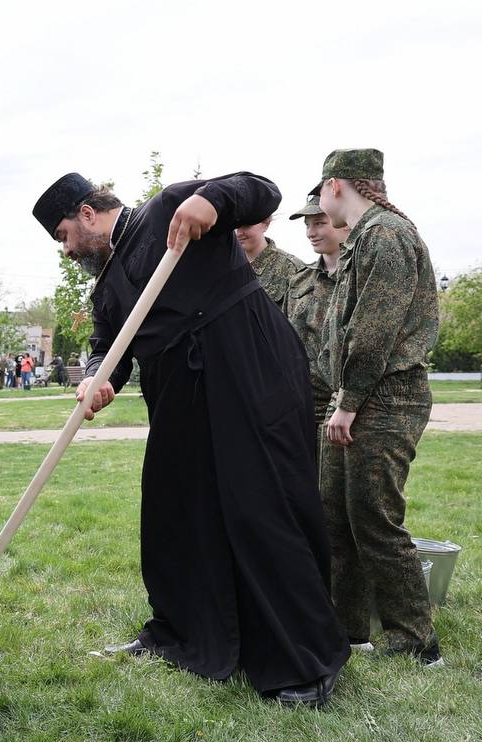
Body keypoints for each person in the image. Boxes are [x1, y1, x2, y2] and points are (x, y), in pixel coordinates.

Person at [31, 170, 349, 707]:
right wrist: (94, 374)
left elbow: (260, 189)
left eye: (62, 236)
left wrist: (212, 200)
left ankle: (307, 660)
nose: (65, 250)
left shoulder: (169, 209)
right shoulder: (107, 286)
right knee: (174, 513)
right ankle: (184, 633)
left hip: (248, 372)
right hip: (180, 403)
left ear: (87, 214)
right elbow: (106, 346)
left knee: (260, 505)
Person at [313, 149, 441, 663]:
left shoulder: (386, 234)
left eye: (321, 191)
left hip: (385, 397)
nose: (320, 204)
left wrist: (348, 402)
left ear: (337, 186)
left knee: (374, 518)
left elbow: (374, 330)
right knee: (338, 516)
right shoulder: (367, 237)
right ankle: (349, 632)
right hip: (358, 397)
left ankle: (416, 643)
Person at [286, 194, 350, 444]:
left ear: (343, 221)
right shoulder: (299, 280)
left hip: (346, 406)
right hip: (300, 405)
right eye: (307, 225)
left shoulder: (359, 276)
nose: (311, 232)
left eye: (319, 223)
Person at [234, 215, 305, 313]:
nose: (239, 233)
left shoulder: (292, 268)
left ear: (266, 224)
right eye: (235, 226)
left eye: (246, 225)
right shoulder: (226, 267)